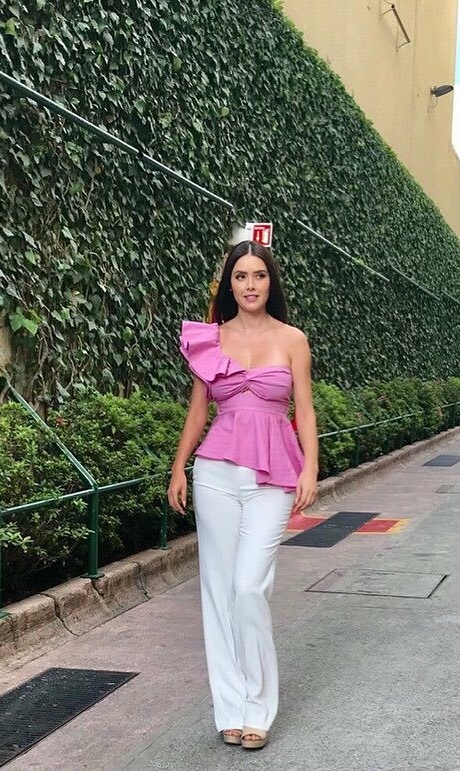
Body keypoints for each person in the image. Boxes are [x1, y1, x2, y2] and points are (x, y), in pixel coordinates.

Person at [166, 239, 318, 750]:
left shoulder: (293, 339)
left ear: (270, 282)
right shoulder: (210, 339)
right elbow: (198, 412)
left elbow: (304, 410)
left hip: (273, 476)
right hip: (215, 473)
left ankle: (259, 705)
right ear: (229, 285)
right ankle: (231, 709)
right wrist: (179, 467)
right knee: (218, 590)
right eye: (240, 276)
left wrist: (311, 467)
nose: (250, 285)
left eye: (258, 275)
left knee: (249, 587)